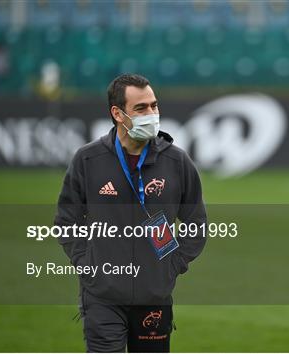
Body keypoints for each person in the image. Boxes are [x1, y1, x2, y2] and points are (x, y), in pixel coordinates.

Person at [55, 74, 207, 352]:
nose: (151, 113)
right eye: (141, 108)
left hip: (154, 296)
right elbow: (66, 221)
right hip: (102, 295)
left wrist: (173, 265)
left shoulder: (177, 161)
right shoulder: (88, 160)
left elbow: (196, 222)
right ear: (117, 114)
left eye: (154, 106)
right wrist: (86, 263)